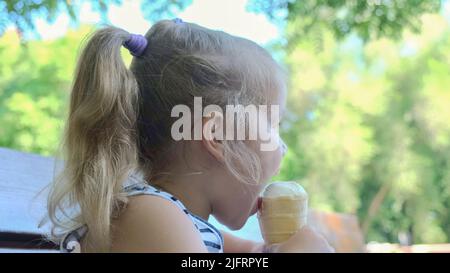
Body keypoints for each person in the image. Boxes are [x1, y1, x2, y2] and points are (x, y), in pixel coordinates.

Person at [45, 18, 334, 253]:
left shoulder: (190, 227)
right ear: (217, 135)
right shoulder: (152, 218)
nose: (282, 147)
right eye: (273, 125)